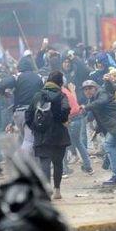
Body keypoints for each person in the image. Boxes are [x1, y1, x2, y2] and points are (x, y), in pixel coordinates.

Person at [26, 71, 70, 199]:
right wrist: (62, 119)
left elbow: (28, 115)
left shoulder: (37, 95)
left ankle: (46, 188)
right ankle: (57, 191)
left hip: (42, 134)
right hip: (59, 134)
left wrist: (35, 127)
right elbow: (66, 110)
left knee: (44, 162)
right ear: (60, 83)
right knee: (58, 163)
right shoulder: (62, 95)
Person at [81, 78, 116, 185]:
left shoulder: (101, 92)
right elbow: (98, 115)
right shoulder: (92, 100)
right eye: (85, 89)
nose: (88, 91)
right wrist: (96, 130)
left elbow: (102, 102)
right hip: (113, 124)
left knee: (108, 145)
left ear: (95, 88)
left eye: (90, 88)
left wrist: (86, 107)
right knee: (111, 147)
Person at [11, 54, 43, 156]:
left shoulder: (17, 77)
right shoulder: (38, 77)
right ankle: (17, 159)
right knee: (29, 141)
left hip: (17, 114)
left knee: (23, 138)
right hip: (30, 113)